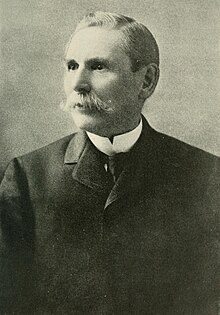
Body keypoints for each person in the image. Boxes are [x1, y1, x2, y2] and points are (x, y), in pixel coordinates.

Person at [0, 11, 219, 315]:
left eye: (98, 66)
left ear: (147, 81)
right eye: (71, 66)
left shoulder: (208, 178)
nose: (78, 83)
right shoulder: (26, 178)